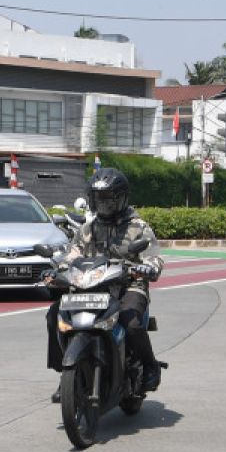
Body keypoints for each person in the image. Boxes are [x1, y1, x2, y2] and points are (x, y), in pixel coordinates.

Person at [48, 168, 165, 393]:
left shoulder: (137, 227)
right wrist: (58, 271)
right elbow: (73, 254)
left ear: (120, 199)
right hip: (91, 286)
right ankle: (65, 372)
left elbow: (154, 257)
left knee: (130, 322)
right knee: (55, 315)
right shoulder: (88, 228)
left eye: (108, 200)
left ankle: (150, 366)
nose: (103, 205)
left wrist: (147, 267)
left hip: (128, 287)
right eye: (98, 200)